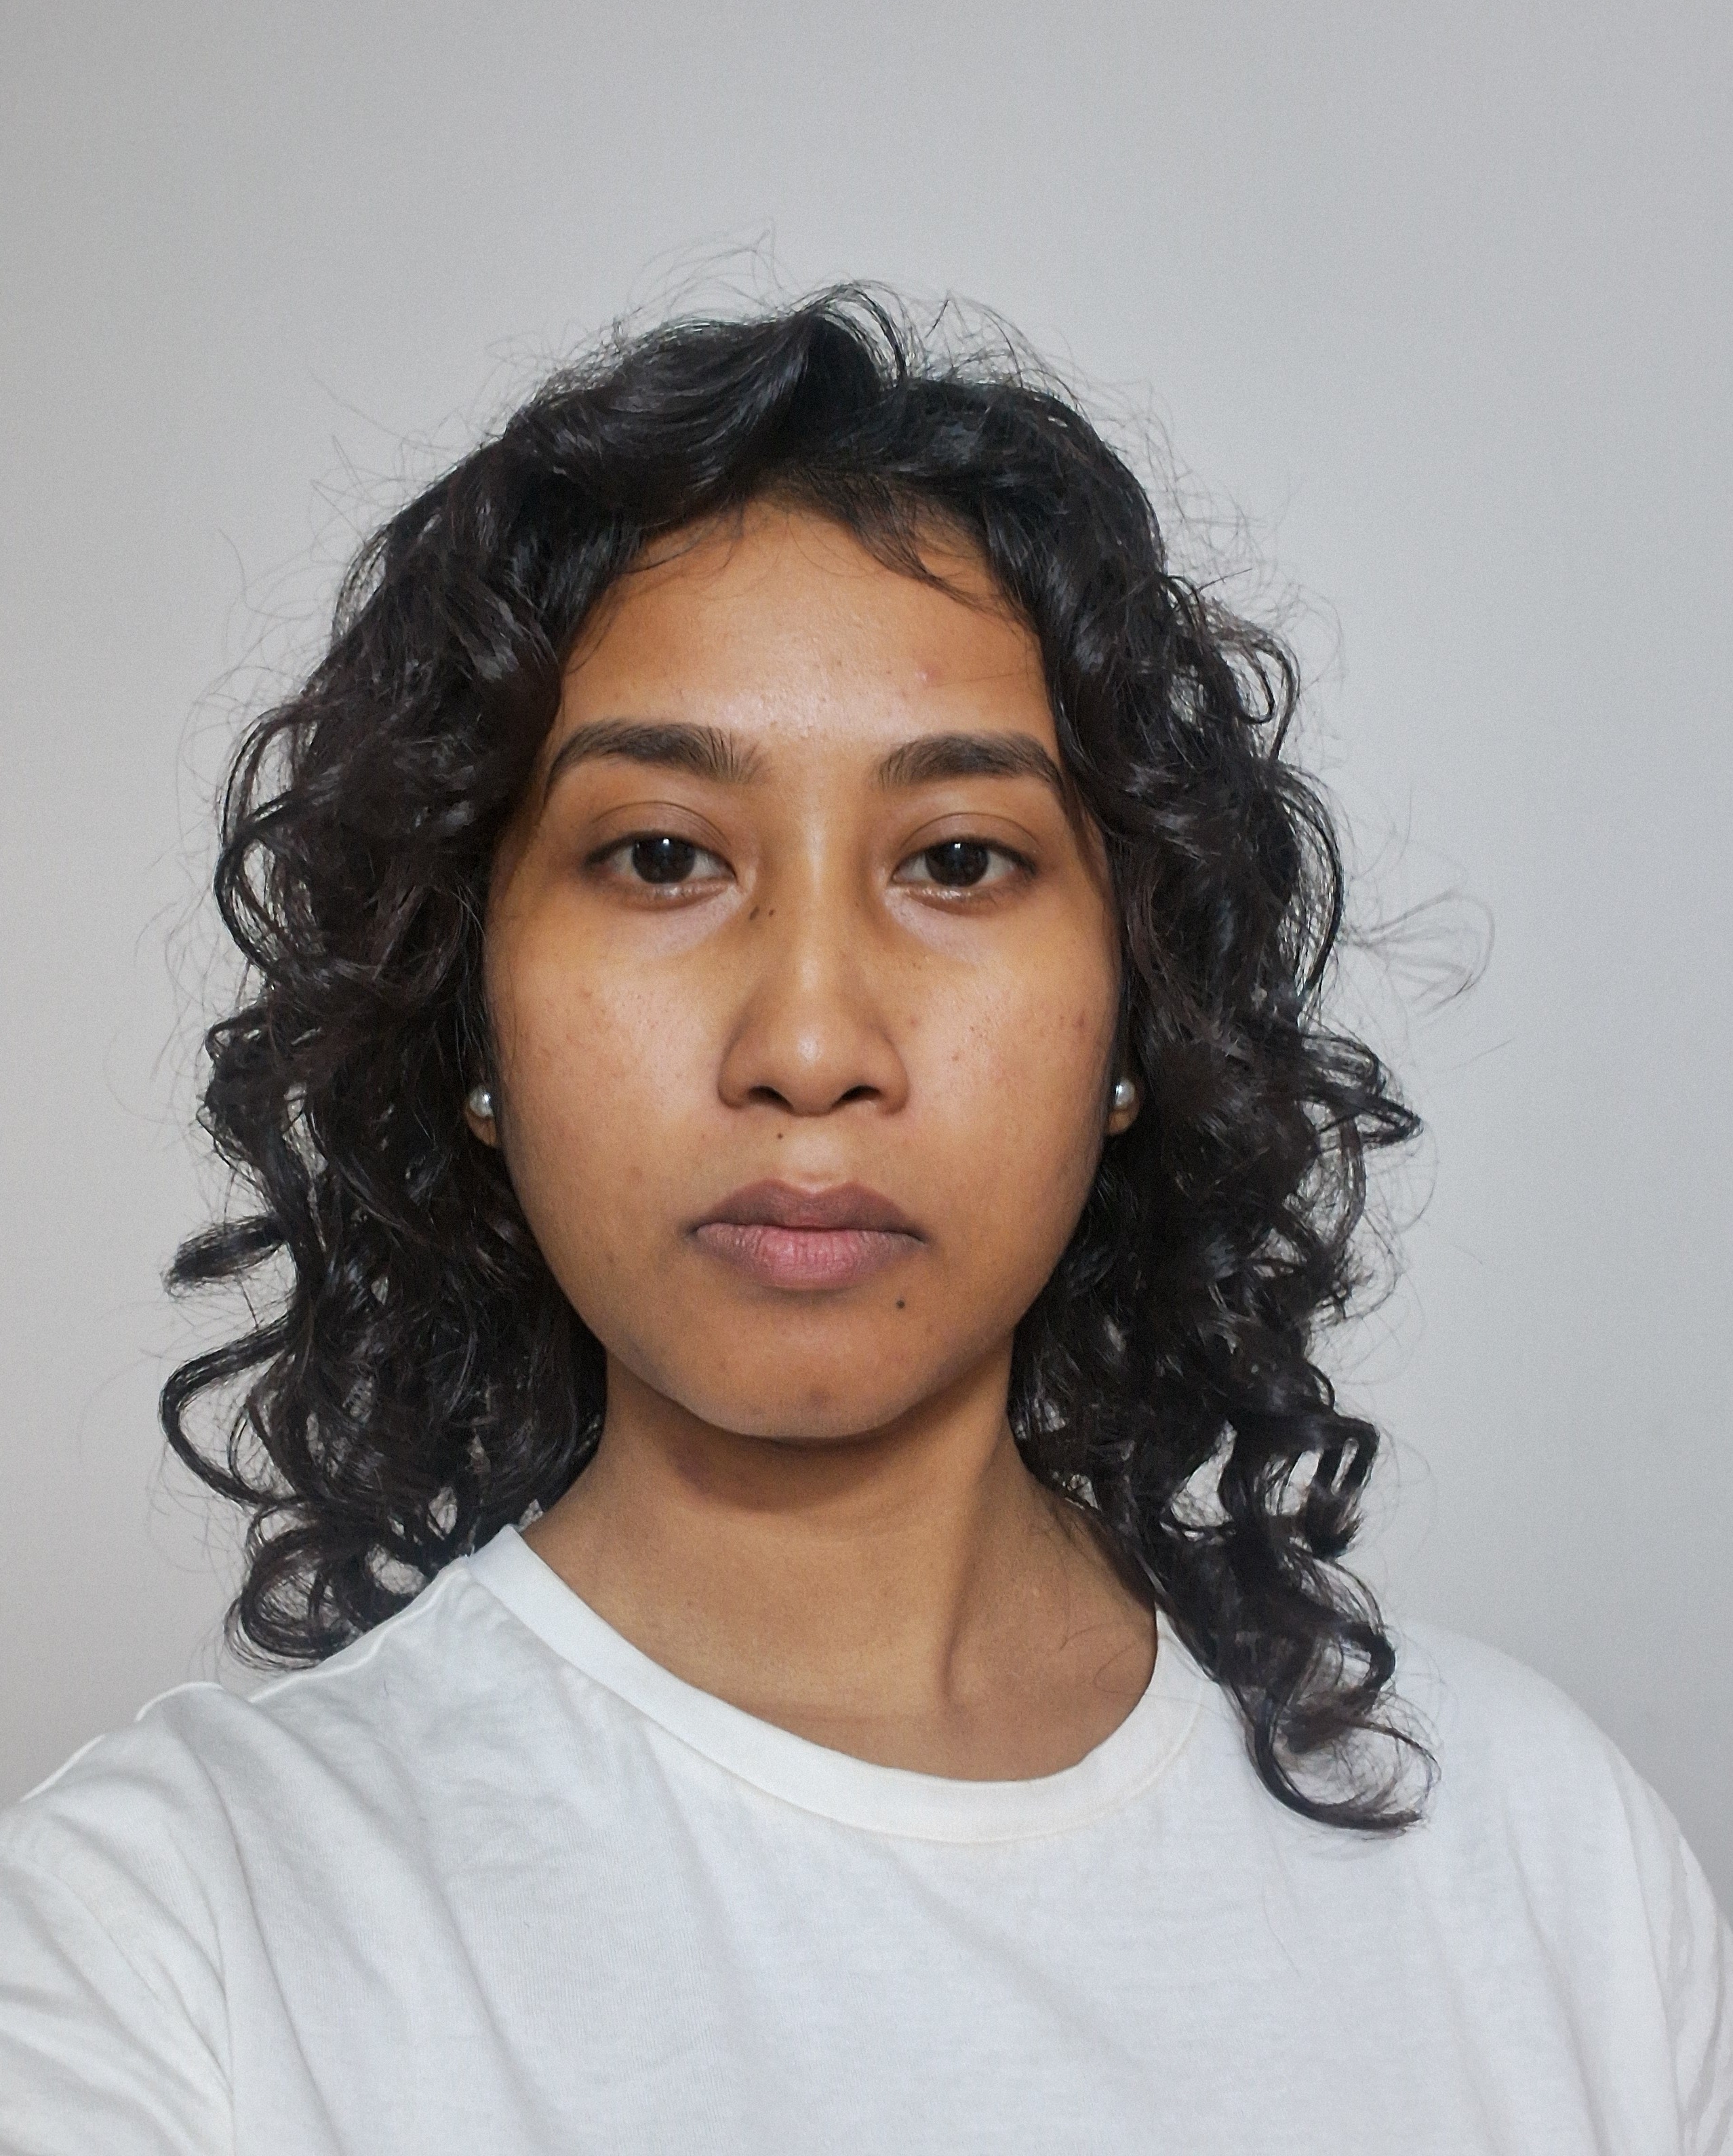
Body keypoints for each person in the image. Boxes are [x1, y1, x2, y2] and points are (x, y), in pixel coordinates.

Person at [1, 289, 1726, 2154]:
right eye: (661, 855)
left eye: (960, 861)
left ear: (1136, 1018)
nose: (809, 1047)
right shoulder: (170, 1938)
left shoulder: (1535, 1860)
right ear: (468, 1015)